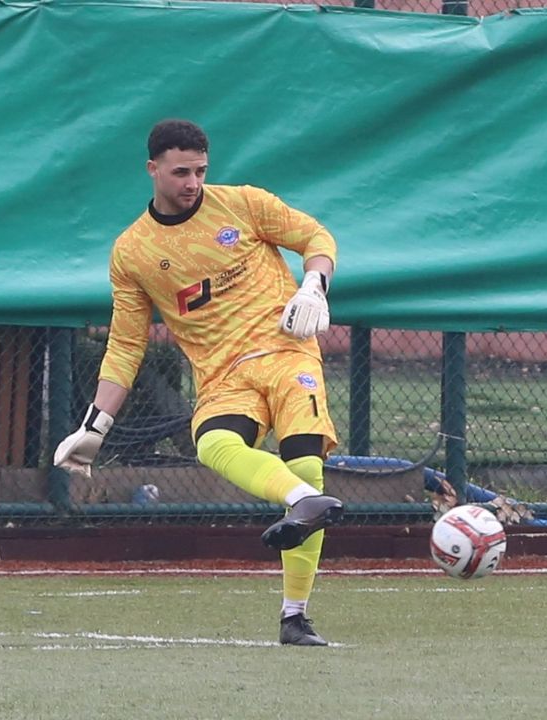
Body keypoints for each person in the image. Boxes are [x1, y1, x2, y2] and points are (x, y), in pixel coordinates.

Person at [53, 118, 345, 646]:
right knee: (212, 444)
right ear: (152, 169)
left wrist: (313, 284)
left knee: (305, 462)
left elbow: (315, 237)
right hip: (223, 375)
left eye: (201, 171)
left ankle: (294, 617)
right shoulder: (133, 252)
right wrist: (95, 426)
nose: (193, 183)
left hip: (286, 353)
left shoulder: (244, 203)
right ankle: (305, 500)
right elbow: (125, 345)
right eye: (181, 172)